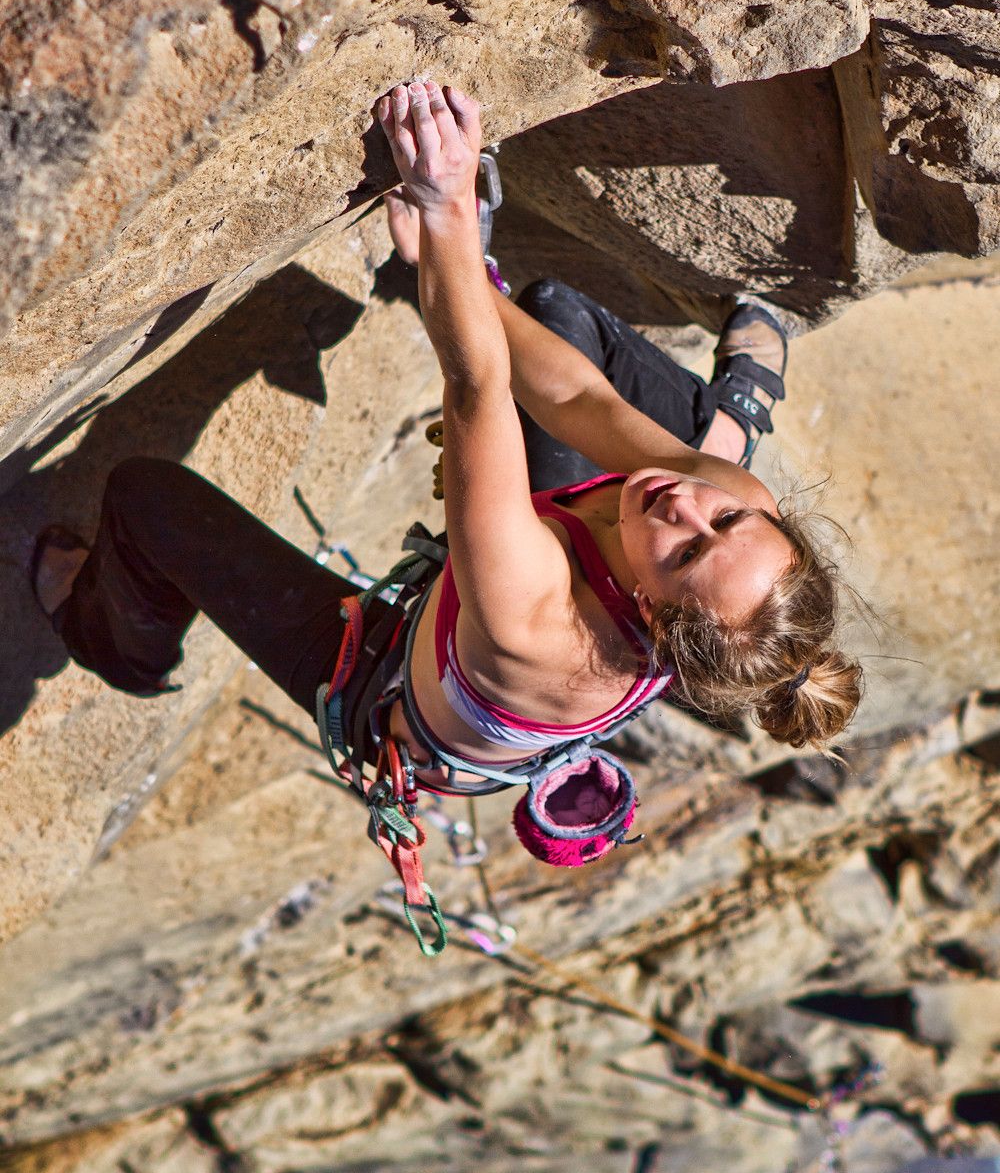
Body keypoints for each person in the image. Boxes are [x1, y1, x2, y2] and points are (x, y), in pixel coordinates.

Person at [31, 80, 862, 805]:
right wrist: (441, 259)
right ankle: (730, 424)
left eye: (685, 553)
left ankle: (112, 642)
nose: (689, 506)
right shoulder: (727, 500)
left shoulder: (535, 622)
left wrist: (448, 210)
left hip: (380, 682)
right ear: (770, 520)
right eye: (729, 523)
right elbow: (575, 395)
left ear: (650, 612)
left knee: (145, 498)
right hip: (529, 589)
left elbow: (478, 387)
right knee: (558, 316)